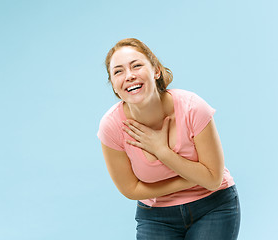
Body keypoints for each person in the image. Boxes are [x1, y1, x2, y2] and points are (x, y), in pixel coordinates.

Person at [97, 38, 240, 240]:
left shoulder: (192, 107)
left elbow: (214, 179)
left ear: (156, 71)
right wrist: (194, 179)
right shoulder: (111, 126)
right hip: (156, 216)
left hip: (214, 206)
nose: (129, 76)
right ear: (113, 85)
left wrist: (162, 151)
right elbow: (131, 189)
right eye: (118, 71)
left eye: (136, 65)